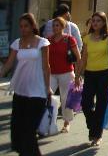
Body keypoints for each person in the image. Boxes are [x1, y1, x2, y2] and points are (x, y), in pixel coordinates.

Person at [0, 13, 51, 155]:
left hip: (37, 91)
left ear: (32, 26)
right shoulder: (17, 43)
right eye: (21, 26)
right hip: (21, 90)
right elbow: (9, 64)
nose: (23, 29)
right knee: (17, 130)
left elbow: (46, 67)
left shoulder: (42, 42)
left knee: (29, 131)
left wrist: (47, 88)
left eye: (26, 26)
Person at [77, 11, 108, 147]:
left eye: (98, 21)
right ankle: (93, 126)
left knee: (101, 104)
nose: (95, 23)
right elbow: (84, 58)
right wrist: (78, 74)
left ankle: (97, 134)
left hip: (105, 73)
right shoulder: (87, 38)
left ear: (103, 23)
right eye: (93, 21)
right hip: (90, 74)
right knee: (85, 103)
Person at [48, 16, 81, 133]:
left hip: (66, 73)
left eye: (57, 25)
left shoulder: (69, 39)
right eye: (53, 25)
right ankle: (48, 121)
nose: (55, 28)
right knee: (47, 97)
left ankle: (66, 123)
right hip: (51, 73)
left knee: (66, 98)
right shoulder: (49, 40)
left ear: (63, 27)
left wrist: (78, 75)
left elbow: (78, 57)